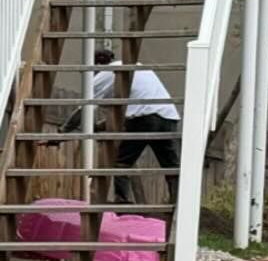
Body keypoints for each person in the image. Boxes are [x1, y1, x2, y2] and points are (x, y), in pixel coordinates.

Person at [53, 49, 181, 207]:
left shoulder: (102, 75)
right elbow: (128, 110)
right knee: (171, 166)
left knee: (121, 163)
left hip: (145, 118)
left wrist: (60, 134)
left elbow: (84, 109)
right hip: (169, 116)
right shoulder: (134, 66)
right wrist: (99, 127)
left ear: (96, 65)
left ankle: (123, 201)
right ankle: (178, 202)